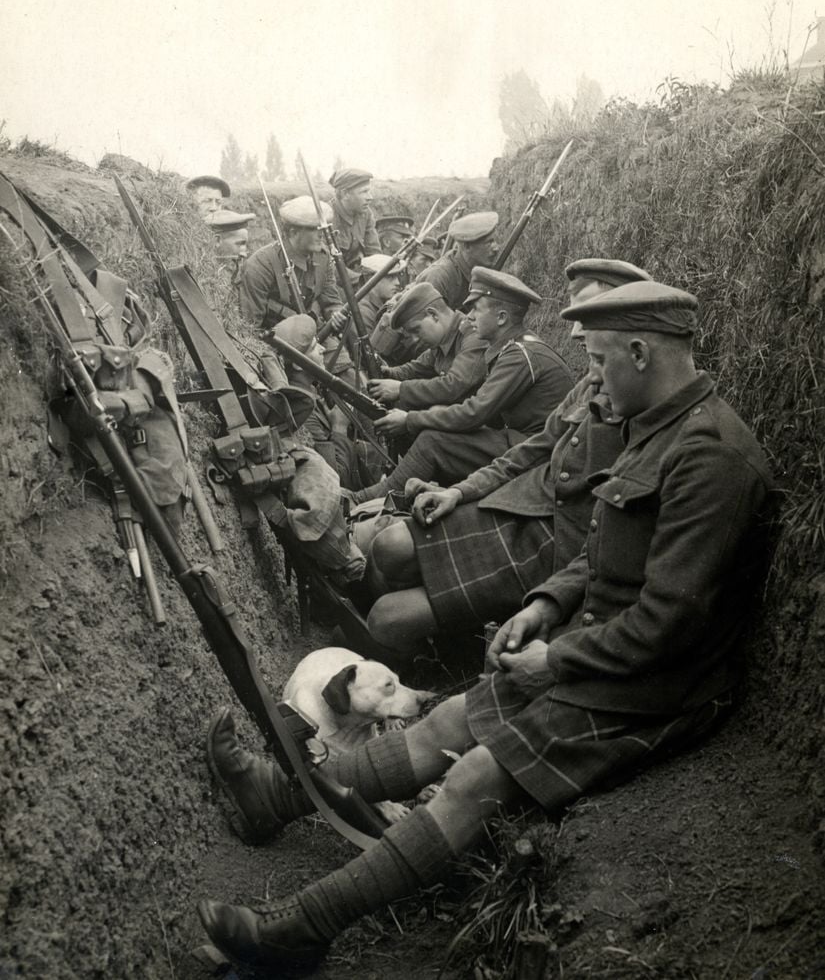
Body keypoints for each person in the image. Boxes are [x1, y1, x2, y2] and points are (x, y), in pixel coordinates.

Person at [198, 280, 773, 973]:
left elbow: (669, 621)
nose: (590, 377)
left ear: (639, 351)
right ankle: (276, 798)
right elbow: (600, 550)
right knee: (447, 723)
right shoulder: (654, 425)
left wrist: (555, 662)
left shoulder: (707, 456)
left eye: (597, 359)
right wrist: (544, 606)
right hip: (601, 642)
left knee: (473, 775)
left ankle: (303, 928)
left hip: (653, 682)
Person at [360, 258, 651, 654]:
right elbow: (538, 447)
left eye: (590, 321)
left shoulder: (528, 357)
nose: (576, 333)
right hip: (525, 501)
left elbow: (478, 410)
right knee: (388, 548)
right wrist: (461, 492)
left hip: (552, 538)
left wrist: (410, 416)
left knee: (388, 607)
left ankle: (435, 647)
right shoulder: (586, 383)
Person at [352, 268, 573, 502]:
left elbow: (474, 412)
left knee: (432, 440)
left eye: (476, 309)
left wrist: (410, 419)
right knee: (434, 427)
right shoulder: (513, 348)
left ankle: (370, 498)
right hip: (527, 441)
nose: (469, 317)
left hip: (538, 451)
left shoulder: (519, 355)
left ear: (501, 318)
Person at [271, 315, 379, 491]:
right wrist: (339, 427)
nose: (322, 349)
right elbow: (337, 480)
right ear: (298, 366)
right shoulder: (303, 415)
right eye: (314, 347)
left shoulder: (310, 391)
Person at [365, 282, 487, 415]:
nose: (415, 339)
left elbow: (455, 385)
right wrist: (387, 372)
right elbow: (416, 369)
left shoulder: (472, 334)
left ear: (433, 315)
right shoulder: (443, 340)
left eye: (416, 330)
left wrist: (401, 389)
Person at [238, 196, 346, 332]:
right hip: (277, 340)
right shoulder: (261, 265)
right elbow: (250, 326)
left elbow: (331, 301)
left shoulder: (323, 257)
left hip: (314, 332)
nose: (321, 235)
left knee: (341, 353)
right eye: (314, 229)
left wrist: (335, 314)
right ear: (293, 233)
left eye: (322, 228)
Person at [416, 211, 499, 308]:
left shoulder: (480, 271)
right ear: (467, 246)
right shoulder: (439, 277)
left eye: (495, 241)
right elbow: (426, 320)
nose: (496, 248)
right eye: (488, 243)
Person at [329, 168, 381, 269]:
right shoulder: (328, 218)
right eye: (364, 192)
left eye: (368, 191)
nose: (370, 197)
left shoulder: (365, 214)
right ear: (345, 194)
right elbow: (327, 268)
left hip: (360, 273)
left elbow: (374, 252)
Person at [358, 254, 406, 334]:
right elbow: (369, 346)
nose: (397, 282)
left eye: (397, 276)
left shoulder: (382, 304)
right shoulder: (362, 312)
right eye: (390, 277)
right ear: (371, 279)